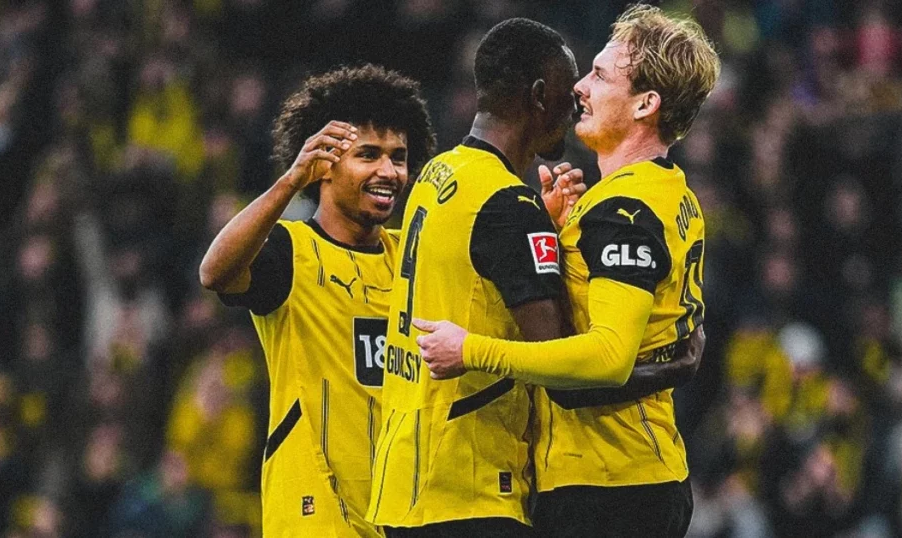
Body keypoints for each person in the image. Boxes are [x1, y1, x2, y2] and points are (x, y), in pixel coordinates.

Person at [414, 5, 720, 536]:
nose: (579, 86)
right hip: (633, 477)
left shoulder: (623, 211)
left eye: (600, 75)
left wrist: (471, 350)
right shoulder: (668, 193)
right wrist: (557, 235)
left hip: (608, 485)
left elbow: (607, 356)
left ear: (646, 104)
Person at [365, 18, 583, 537]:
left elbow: (470, 276)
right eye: (565, 93)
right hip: (470, 492)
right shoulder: (508, 207)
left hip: (403, 483)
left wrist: (540, 231)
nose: (573, 109)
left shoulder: (438, 175)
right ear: (537, 95)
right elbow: (556, 363)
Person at [199, 64, 436, 537]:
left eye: (399, 157)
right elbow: (214, 272)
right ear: (325, 165)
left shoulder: (414, 261)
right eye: (368, 155)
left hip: (402, 513)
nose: (388, 171)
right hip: (314, 516)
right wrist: (289, 182)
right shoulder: (290, 252)